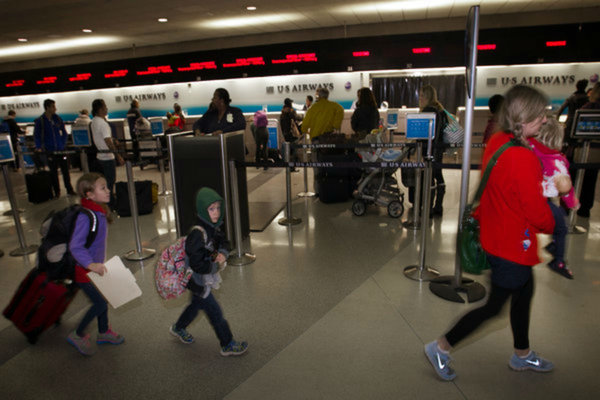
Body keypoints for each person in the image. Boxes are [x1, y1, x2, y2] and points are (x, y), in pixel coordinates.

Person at [424, 85, 556, 381]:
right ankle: (441, 347)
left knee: (524, 294)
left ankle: (522, 354)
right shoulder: (522, 156)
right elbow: (537, 214)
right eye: (540, 116)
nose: (545, 120)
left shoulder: (500, 140)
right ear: (522, 120)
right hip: (512, 245)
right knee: (495, 307)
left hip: (496, 235)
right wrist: (554, 223)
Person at [169, 187, 248, 357]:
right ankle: (227, 343)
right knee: (215, 313)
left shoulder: (214, 227)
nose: (216, 212)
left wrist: (223, 254)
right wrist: (215, 266)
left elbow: (225, 243)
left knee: (195, 305)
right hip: (198, 281)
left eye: (218, 208)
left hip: (203, 278)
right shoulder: (197, 234)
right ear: (202, 210)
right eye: (211, 209)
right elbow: (197, 264)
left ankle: (179, 327)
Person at [67, 172, 124, 356]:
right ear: (89, 194)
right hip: (84, 272)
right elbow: (75, 246)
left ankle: (103, 332)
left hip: (95, 268)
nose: (108, 191)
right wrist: (91, 265)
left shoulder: (99, 211)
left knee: (103, 299)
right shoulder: (86, 216)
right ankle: (78, 333)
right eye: (103, 188)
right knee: (99, 303)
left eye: (107, 186)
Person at [529, 118, 577, 279]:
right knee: (562, 228)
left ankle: (552, 246)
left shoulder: (530, 147)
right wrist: (573, 203)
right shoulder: (558, 161)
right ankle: (558, 260)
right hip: (544, 203)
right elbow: (567, 189)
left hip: (526, 198)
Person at [33, 99, 75, 197]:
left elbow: (64, 132)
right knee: (53, 172)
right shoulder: (41, 121)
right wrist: (39, 147)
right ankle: (57, 191)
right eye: (53, 106)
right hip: (49, 150)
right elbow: (37, 135)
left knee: (65, 170)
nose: (55, 109)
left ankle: (69, 189)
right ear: (47, 107)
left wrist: (62, 143)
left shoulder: (57, 119)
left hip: (60, 150)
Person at [90, 99, 124, 210]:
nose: (106, 109)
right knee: (110, 182)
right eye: (105, 107)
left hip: (99, 157)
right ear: (100, 109)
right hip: (107, 157)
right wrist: (118, 156)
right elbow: (107, 141)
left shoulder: (94, 121)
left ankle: (103, 202)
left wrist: (113, 139)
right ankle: (110, 204)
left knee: (103, 183)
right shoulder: (102, 123)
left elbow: (103, 138)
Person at [418, 85, 446, 216]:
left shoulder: (428, 111)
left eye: (422, 96)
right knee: (438, 176)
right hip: (438, 149)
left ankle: (428, 209)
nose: (420, 98)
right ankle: (438, 206)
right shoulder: (440, 109)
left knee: (429, 179)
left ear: (427, 97)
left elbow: (421, 134)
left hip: (430, 149)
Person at [576, 82, 600, 218]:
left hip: (586, 149)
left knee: (580, 179)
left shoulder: (587, 107)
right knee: (591, 179)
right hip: (596, 151)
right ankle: (585, 208)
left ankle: (574, 206)